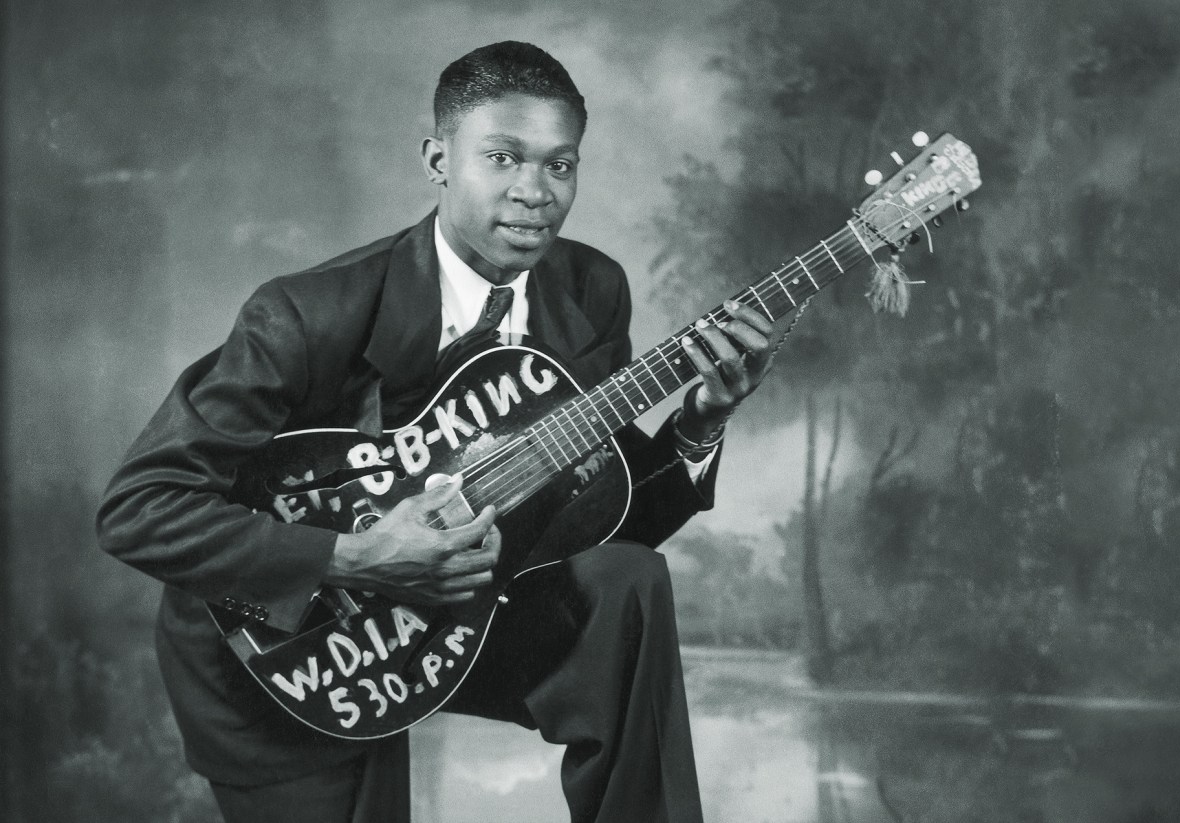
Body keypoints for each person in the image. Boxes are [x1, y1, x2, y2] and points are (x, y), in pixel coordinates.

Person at [96, 41, 776, 823]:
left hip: (476, 604)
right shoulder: (303, 315)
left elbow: (596, 514)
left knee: (628, 584)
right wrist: (361, 556)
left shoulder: (590, 292)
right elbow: (138, 508)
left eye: (561, 166)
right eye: (502, 157)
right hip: (288, 645)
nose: (535, 192)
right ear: (438, 159)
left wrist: (699, 421)